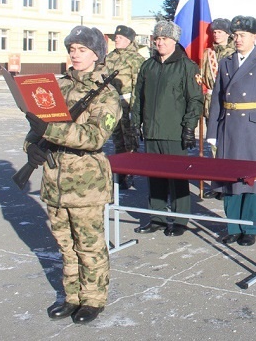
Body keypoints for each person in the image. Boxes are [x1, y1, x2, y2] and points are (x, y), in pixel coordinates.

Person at [24, 26, 121, 324]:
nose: (75, 54)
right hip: (54, 180)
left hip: (86, 184)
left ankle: (93, 299)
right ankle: (72, 296)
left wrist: (50, 130)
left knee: (88, 244)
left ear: (96, 54)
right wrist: (31, 147)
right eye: (72, 49)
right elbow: (36, 127)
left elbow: (94, 137)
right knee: (65, 244)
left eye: (82, 49)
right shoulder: (58, 86)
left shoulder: (106, 93)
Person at [207, 16, 256, 246]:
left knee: (250, 180)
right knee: (229, 178)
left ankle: (250, 228)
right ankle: (232, 226)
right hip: (228, 127)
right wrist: (212, 130)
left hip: (252, 129)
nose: (237, 39)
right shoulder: (226, 61)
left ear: (254, 37)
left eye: (242, 35)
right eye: (235, 35)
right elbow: (217, 98)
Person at [131, 20, 204, 237]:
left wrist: (189, 128)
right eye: (157, 38)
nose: (159, 42)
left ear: (174, 41)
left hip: (175, 132)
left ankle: (181, 220)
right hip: (152, 131)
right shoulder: (148, 65)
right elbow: (139, 99)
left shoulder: (187, 66)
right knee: (154, 176)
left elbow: (195, 100)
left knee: (178, 178)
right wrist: (136, 123)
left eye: (164, 39)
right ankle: (157, 217)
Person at [104, 24, 145, 189]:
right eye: (115, 38)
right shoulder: (109, 57)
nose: (116, 41)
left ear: (129, 40)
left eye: (120, 38)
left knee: (130, 141)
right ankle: (119, 173)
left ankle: (130, 173)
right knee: (117, 140)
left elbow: (138, 85)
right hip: (112, 104)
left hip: (128, 103)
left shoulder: (136, 59)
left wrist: (135, 110)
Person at [200, 18, 235, 199]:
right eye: (214, 32)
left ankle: (228, 181)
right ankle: (217, 183)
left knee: (228, 143)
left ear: (228, 34)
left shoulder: (234, 53)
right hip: (211, 102)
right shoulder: (208, 53)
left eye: (220, 32)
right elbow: (204, 78)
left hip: (228, 103)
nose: (216, 34)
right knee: (213, 144)